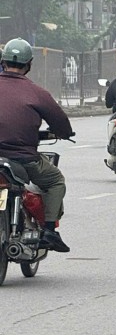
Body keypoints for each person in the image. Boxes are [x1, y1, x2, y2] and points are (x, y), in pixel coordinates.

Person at [0, 38, 74, 253]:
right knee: (56, 180)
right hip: (23, 158)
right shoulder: (37, 93)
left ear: (3, 62)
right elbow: (61, 123)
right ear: (29, 64)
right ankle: (49, 230)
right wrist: (63, 134)